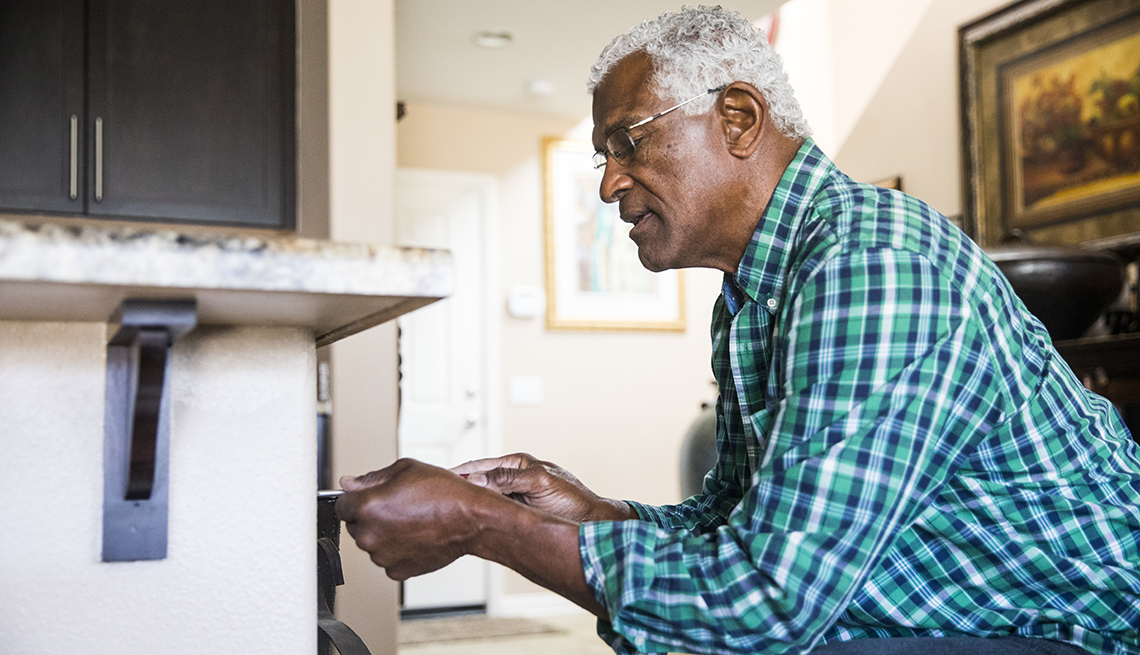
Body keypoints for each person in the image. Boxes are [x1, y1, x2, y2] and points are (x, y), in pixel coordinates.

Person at [336, 7, 1140, 655]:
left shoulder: (872, 262)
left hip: (1075, 631)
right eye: (603, 156)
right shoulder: (757, 292)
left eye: (628, 140)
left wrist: (486, 525)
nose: (611, 181)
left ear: (740, 118)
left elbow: (768, 604)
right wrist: (583, 511)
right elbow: (737, 524)